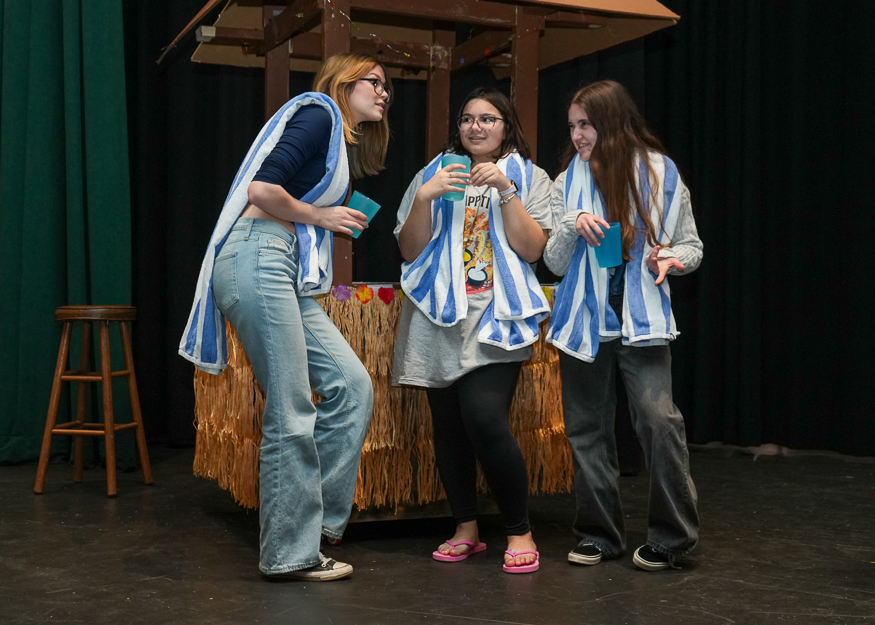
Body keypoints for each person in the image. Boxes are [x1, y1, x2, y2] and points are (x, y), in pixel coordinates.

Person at [179, 53, 392, 581]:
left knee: (352, 387)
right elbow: (262, 190)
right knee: (292, 407)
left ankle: (311, 526)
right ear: (344, 81)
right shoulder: (319, 113)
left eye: (387, 86)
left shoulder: (337, 137)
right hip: (258, 254)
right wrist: (320, 215)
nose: (384, 92)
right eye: (374, 82)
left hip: (279, 265)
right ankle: (289, 553)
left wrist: (324, 217)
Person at [543, 80, 702, 572]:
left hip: (642, 317)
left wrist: (672, 258)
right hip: (583, 319)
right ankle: (598, 534)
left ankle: (672, 538)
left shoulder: (661, 173)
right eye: (572, 126)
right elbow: (553, 262)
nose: (577, 135)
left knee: (658, 421)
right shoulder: (566, 181)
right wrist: (572, 224)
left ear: (613, 121)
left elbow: (692, 247)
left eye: (586, 124)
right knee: (586, 429)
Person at [393, 88, 552, 574]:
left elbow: (533, 250)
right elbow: (409, 250)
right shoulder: (435, 171)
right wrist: (425, 196)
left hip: (497, 314)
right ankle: (466, 527)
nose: (475, 127)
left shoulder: (529, 175)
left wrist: (506, 190)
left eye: (488, 119)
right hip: (437, 313)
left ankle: (519, 530)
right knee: (448, 428)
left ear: (507, 126)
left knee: (484, 418)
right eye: (467, 119)